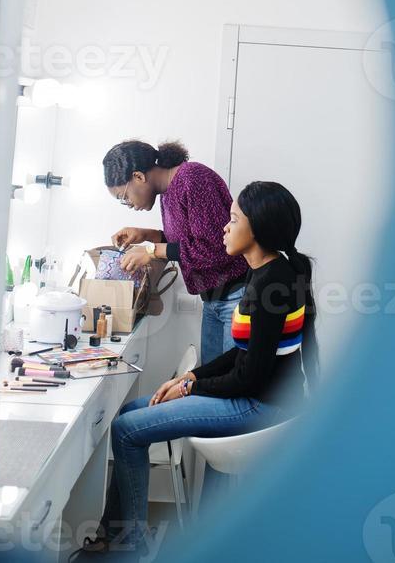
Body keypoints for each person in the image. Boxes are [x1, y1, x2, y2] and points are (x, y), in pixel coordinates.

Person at [73, 181, 318, 558]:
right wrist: (191, 376)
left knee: (125, 431)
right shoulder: (265, 273)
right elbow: (242, 353)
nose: (224, 226)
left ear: (259, 229)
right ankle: (120, 534)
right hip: (253, 393)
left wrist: (190, 389)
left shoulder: (274, 284)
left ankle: (129, 546)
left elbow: (249, 377)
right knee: (129, 413)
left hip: (260, 405)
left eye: (233, 219)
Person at [103, 139, 247, 363]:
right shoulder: (168, 192)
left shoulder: (193, 178)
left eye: (124, 197)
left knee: (231, 386)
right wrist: (146, 234)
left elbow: (214, 249)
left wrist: (152, 251)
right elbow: (184, 242)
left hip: (236, 296)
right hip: (214, 300)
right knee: (213, 382)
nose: (128, 203)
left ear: (139, 176)